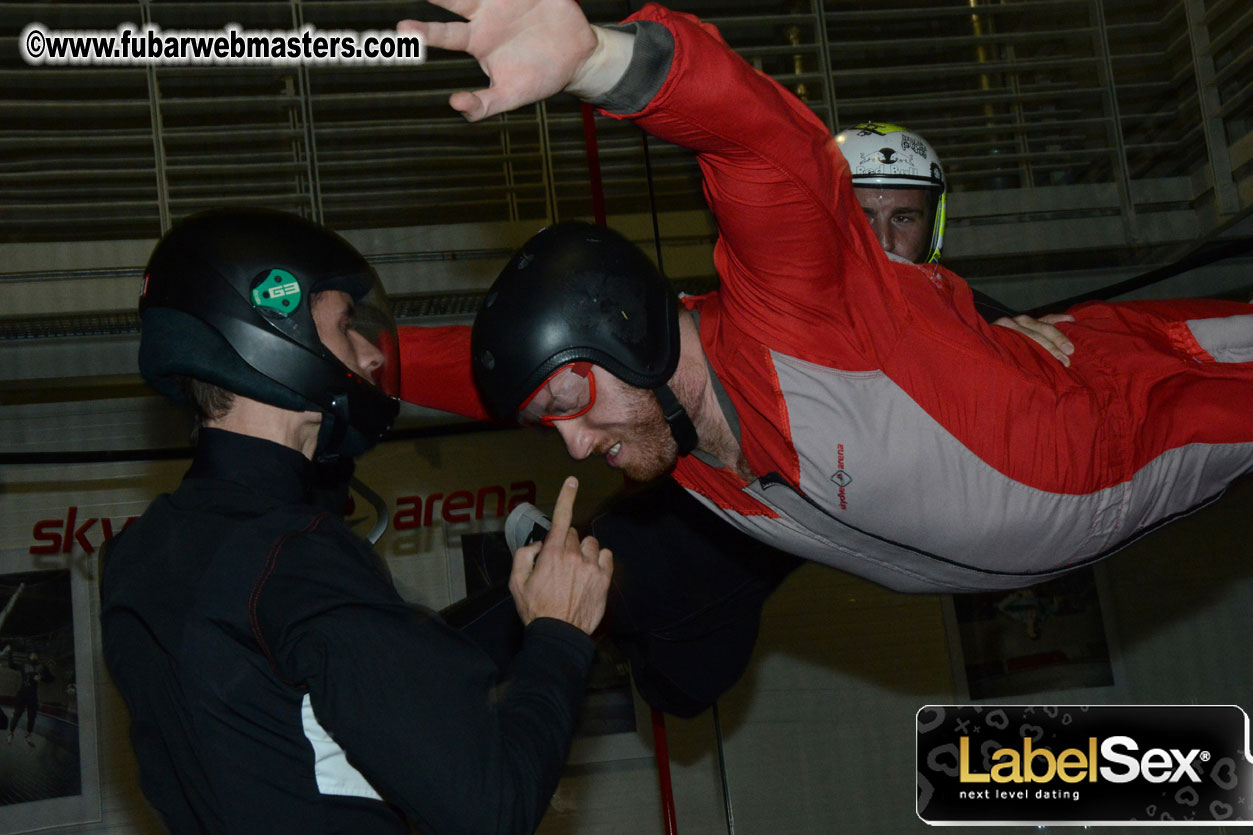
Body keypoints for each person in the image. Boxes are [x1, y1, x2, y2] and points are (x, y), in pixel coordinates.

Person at [394, 0, 1252, 714]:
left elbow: (766, 143)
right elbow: (478, 373)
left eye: (575, 404)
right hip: (1064, 505)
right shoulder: (678, 438)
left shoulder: (793, 313)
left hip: (1138, 408)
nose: (575, 446)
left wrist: (595, 58)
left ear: (627, 335)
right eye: (557, 420)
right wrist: (351, 358)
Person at [100, 208, 613, 834]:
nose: (371, 355)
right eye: (347, 326)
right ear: (272, 323)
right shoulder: (291, 555)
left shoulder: (144, 554)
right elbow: (491, 809)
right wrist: (559, 634)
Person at [836, 120, 1074, 362]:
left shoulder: (977, 319)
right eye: (862, 219)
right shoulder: (800, 323)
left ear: (934, 225)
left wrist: (1004, 341)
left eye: (902, 218)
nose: (885, 242)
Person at [6, 649, 49, 747]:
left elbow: (51, 679)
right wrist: (9, 653)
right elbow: (11, 665)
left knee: (32, 717)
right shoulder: (24, 665)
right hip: (22, 694)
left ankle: (28, 735)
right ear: (29, 656)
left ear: (38, 657)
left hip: (32, 696)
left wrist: (42, 678)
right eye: (32, 655)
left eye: (36, 655)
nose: (34, 657)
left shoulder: (42, 667)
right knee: (16, 715)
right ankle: (11, 733)